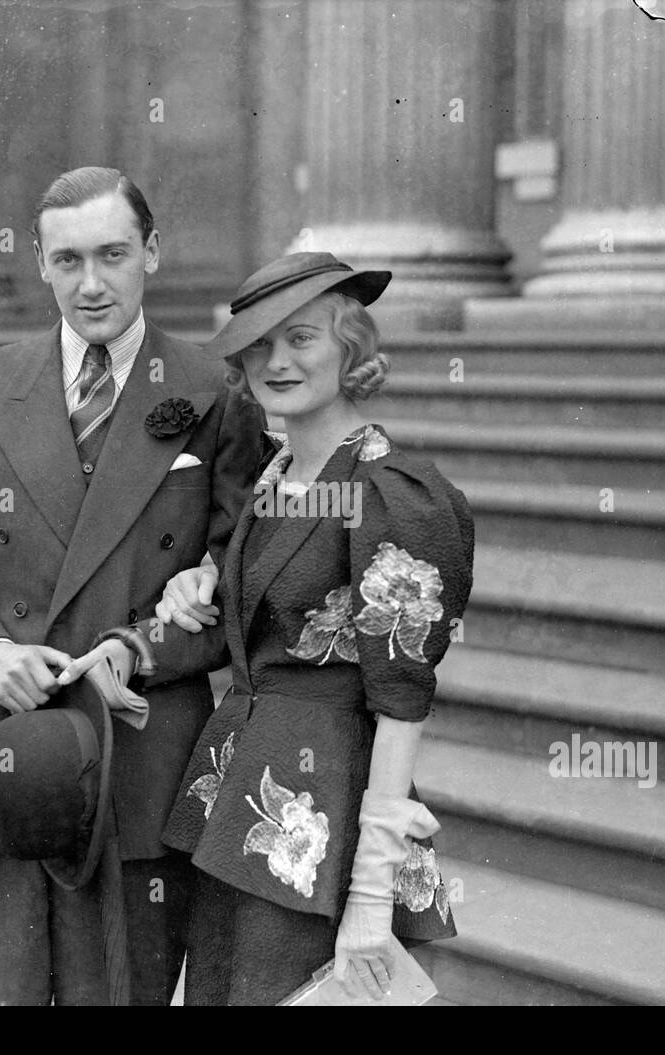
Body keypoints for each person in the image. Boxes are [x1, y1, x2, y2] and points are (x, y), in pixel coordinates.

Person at [0, 166, 264, 1005]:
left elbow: (241, 589)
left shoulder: (214, 392)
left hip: (138, 760)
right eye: (67, 261)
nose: (92, 284)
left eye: (112, 254)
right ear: (38, 262)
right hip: (10, 750)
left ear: (152, 251)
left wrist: (139, 646)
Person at [129, 251, 475, 1005]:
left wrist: (373, 895)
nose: (276, 362)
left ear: (351, 349)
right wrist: (207, 576)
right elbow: (277, 594)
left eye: (302, 339)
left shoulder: (396, 492)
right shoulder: (279, 474)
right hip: (242, 802)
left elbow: (401, 701)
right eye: (258, 345)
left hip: (327, 818)